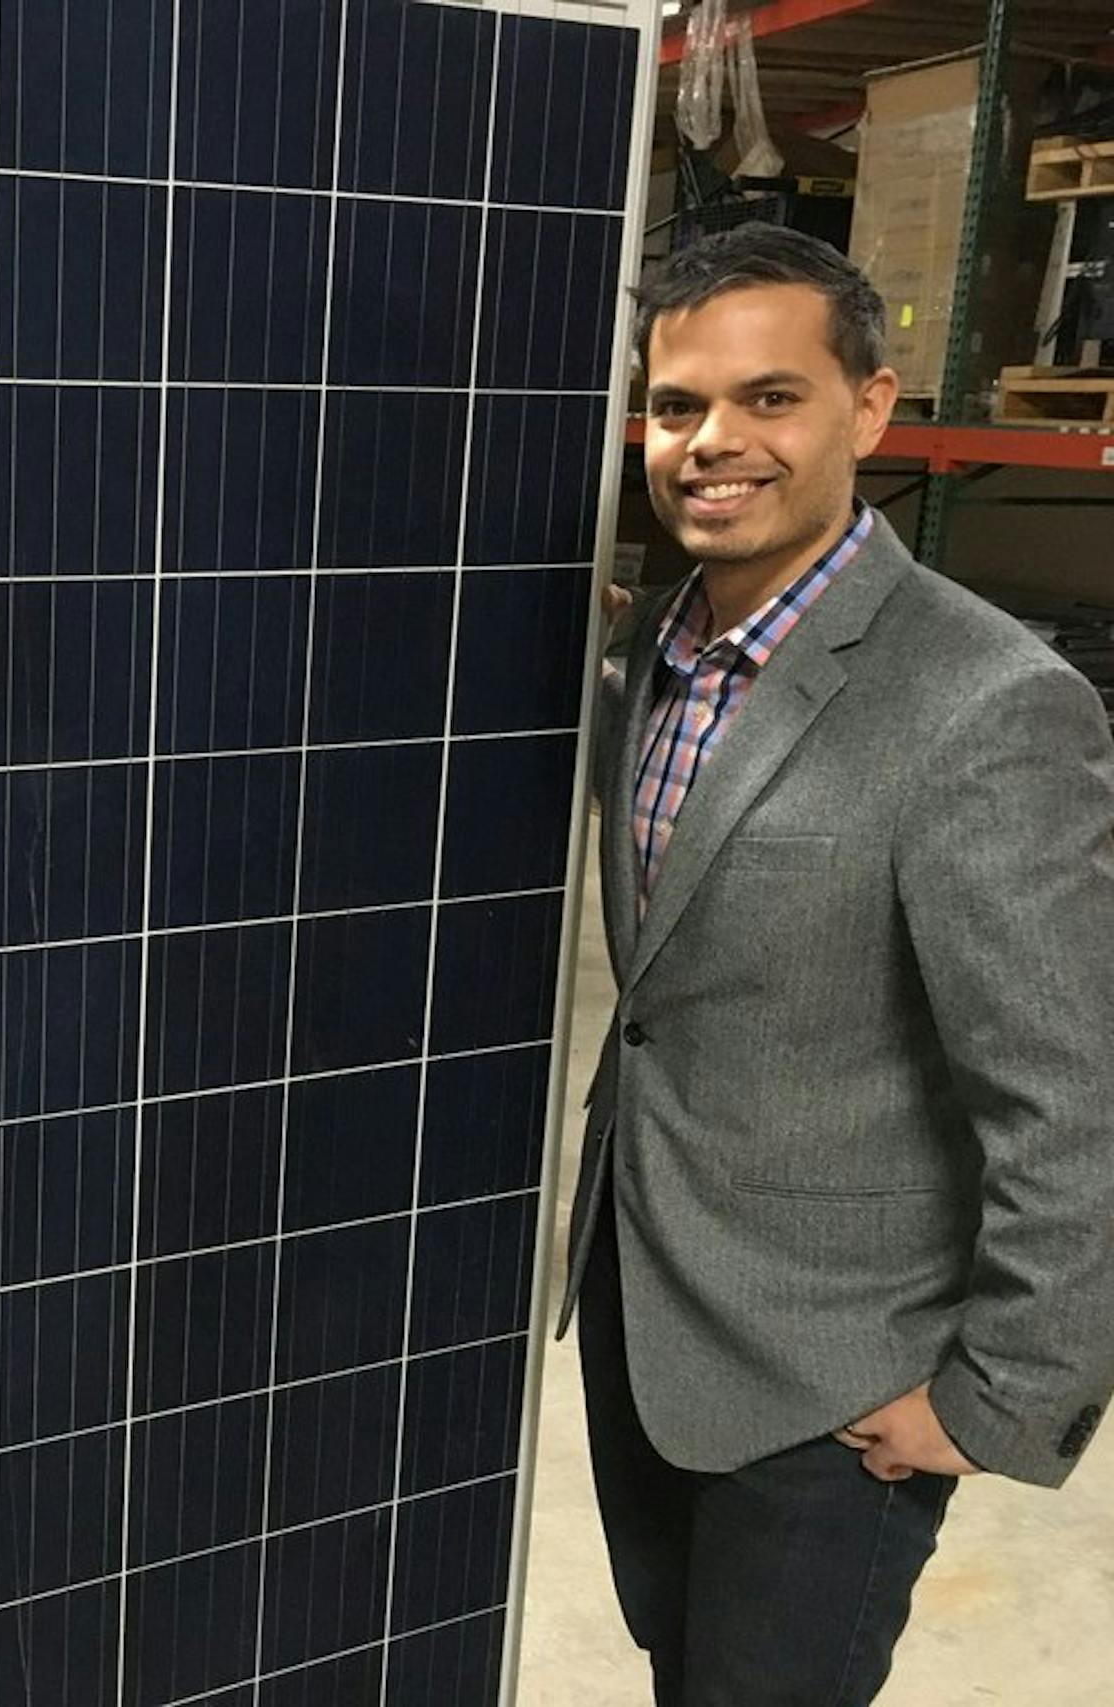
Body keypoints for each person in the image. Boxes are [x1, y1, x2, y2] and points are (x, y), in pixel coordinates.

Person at [562, 221, 1114, 1705]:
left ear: (869, 407)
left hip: (839, 1384)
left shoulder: (988, 708)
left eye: (770, 398)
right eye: (679, 407)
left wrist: (998, 1394)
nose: (712, 443)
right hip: (647, 1311)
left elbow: (1074, 1093)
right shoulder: (656, 653)